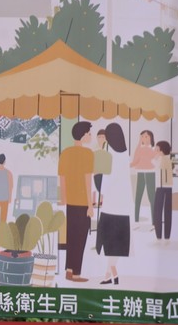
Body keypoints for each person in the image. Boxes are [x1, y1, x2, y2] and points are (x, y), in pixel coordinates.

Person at [58, 120, 94, 282]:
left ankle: (69, 270)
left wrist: (64, 198)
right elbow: (88, 180)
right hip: (82, 202)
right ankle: (76, 274)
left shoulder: (65, 153)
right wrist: (90, 205)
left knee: (71, 236)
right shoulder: (87, 154)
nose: (90, 136)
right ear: (83, 135)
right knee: (80, 239)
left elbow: (62, 178)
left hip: (70, 203)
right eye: (89, 134)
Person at [96, 122, 131, 285]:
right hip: (123, 203)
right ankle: (109, 274)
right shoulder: (125, 155)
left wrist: (101, 194)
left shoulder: (109, 155)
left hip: (111, 202)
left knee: (109, 240)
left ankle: (111, 274)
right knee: (118, 241)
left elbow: (105, 180)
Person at [130, 129, 157, 223]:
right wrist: (126, 166)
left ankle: (154, 221)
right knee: (138, 198)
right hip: (140, 173)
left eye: (146, 136)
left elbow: (156, 160)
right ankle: (136, 220)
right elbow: (135, 161)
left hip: (150, 173)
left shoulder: (153, 148)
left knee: (152, 198)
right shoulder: (139, 149)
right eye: (142, 136)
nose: (144, 138)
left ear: (151, 137)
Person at [152, 140, 173, 241]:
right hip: (168, 187)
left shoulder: (161, 159)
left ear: (162, 151)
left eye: (157, 149)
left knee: (157, 211)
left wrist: (155, 158)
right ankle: (166, 235)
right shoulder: (167, 159)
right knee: (167, 211)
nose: (155, 151)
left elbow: (154, 164)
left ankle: (159, 235)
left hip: (161, 187)